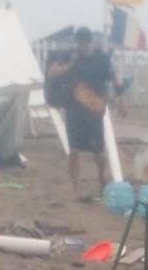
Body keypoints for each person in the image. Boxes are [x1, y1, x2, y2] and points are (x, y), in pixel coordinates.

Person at [48, 27, 122, 201]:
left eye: (85, 43)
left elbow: (113, 76)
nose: (83, 47)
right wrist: (69, 65)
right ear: (77, 43)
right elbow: (53, 72)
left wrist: (121, 99)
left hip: (94, 111)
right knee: (73, 151)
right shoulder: (69, 56)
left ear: (91, 42)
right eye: (80, 43)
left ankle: (102, 178)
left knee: (98, 151)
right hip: (74, 111)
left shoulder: (101, 58)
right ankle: (75, 188)